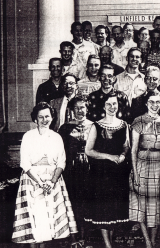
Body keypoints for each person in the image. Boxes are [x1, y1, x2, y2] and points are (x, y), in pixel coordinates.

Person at [12, 102, 77, 247]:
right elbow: (25, 163)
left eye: (47, 116)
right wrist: (41, 183)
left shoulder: (56, 137)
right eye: (40, 117)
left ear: (52, 117)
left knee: (49, 220)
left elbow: (61, 162)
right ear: (35, 119)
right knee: (35, 216)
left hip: (53, 180)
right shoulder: (28, 136)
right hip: (32, 180)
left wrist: (52, 182)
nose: (44, 120)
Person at [85, 91, 130, 248]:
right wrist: (109, 157)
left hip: (118, 174)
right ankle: (107, 245)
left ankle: (109, 242)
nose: (112, 107)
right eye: (109, 104)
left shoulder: (124, 125)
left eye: (114, 104)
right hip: (101, 173)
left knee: (114, 210)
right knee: (103, 210)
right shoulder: (95, 126)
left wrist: (123, 155)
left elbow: (126, 146)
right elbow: (89, 151)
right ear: (103, 107)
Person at [129, 90, 160, 248]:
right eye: (151, 102)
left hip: (159, 164)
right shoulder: (138, 121)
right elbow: (133, 149)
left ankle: (153, 240)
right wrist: (135, 172)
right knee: (141, 204)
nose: (155, 105)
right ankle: (147, 240)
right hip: (142, 163)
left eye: (157, 102)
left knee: (157, 204)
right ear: (146, 103)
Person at [58, 95, 93, 246]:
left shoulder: (94, 126)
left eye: (83, 107)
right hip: (71, 169)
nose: (80, 111)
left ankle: (85, 237)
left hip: (89, 168)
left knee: (87, 202)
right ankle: (73, 238)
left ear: (87, 108)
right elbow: (60, 150)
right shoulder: (64, 128)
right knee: (72, 202)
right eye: (77, 108)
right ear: (72, 110)